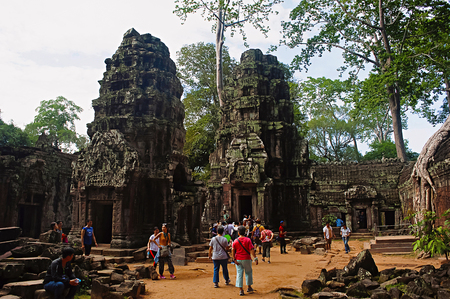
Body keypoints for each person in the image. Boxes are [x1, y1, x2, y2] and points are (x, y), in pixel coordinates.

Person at [232, 225, 258, 296]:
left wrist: (234, 259)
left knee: (239, 274)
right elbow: (251, 249)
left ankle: (241, 290)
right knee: (248, 273)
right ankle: (249, 287)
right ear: (245, 232)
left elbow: (233, 250)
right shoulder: (248, 240)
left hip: (238, 259)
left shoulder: (235, 241)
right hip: (247, 258)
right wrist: (255, 258)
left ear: (238, 233)